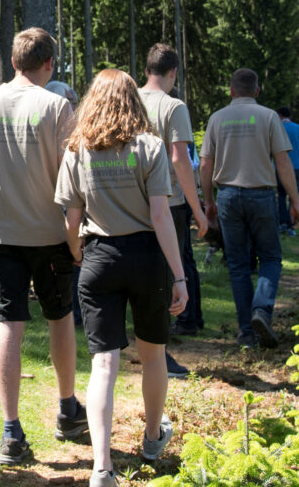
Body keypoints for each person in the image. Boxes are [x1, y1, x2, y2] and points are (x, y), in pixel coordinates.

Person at [0, 27, 86, 465]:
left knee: (8, 322)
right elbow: (75, 177)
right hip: (50, 235)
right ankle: (67, 410)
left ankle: (11, 431)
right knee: (60, 316)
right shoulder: (58, 106)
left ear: (13, 62)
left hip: (0, 235)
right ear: (49, 64)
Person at [55, 69, 187, 487]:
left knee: (103, 364)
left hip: (98, 259)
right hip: (147, 258)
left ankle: (101, 468)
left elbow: (70, 220)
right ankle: (151, 440)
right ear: (134, 101)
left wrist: (79, 254)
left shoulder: (78, 149)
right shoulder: (148, 147)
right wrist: (179, 276)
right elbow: (161, 215)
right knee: (153, 355)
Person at [200, 68, 299, 349]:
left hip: (228, 197)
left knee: (238, 265)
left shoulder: (217, 118)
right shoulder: (269, 116)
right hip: (262, 195)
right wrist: (294, 201)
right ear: (257, 91)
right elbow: (282, 162)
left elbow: (206, 164)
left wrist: (208, 201)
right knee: (270, 258)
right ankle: (262, 309)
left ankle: (246, 332)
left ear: (231, 91)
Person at [138, 43, 207, 373]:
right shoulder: (173, 106)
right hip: (169, 202)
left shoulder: (129, 100)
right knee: (167, 276)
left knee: (143, 276)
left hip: (130, 201)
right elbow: (180, 160)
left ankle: (148, 346)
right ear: (173, 72)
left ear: (146, 68)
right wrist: (198, 209)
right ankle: (159, 353)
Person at [45, 80, 85, 328]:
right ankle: (69, 311)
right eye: (68, 102)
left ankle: (77, 312)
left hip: (72, 201)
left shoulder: (76, 129)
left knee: (76, 254)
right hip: (55, 202)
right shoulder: (50, 128)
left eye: (74, 102)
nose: (73, 107)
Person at [277, 106, 299, 237]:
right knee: (294, 196)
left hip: (278, 167)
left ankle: (282, 223)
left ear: (279, 115)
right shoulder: (298, 128)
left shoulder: (277, 128)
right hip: (296, 167)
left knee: (280, 196)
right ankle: (292, 225)